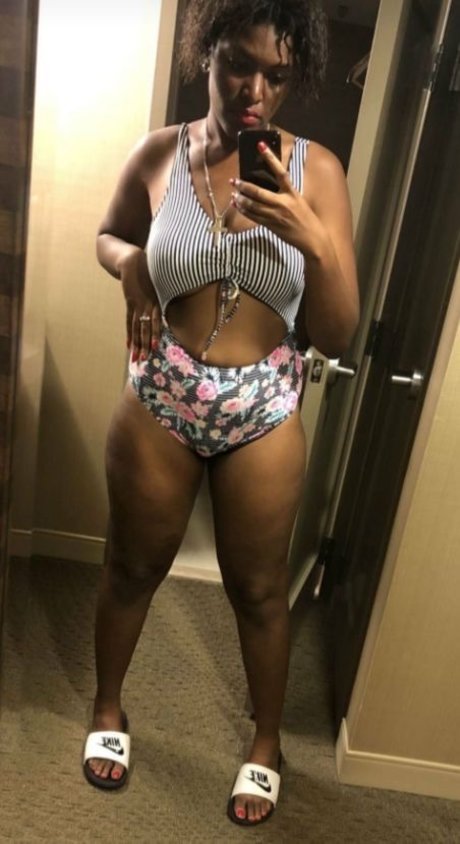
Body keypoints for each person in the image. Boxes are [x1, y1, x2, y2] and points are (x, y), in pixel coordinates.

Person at [82, 0, 359, 827]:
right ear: (206, 54)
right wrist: (132, 265)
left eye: (278, 75)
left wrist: (313, 239)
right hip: (162, 391)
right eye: (239, 63)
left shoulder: (319, 173)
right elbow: (108, 234)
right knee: (131, 567)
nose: (255, 91)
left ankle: (265, 745)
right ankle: (107, 707)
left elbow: (337, 333)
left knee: (260, 590)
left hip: (263, 407)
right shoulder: (159, 153)